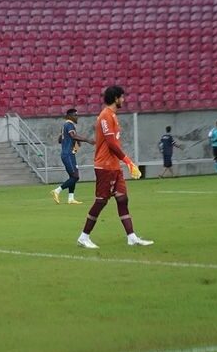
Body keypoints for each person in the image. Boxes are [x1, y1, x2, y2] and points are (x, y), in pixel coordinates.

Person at [77, 86, 154, 249]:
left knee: (122, 199)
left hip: (114, 166)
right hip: (104, 166)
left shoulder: (112, 115)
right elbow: (111, 143)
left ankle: (131, 237)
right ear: (116, 98)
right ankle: (83, 237)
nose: (124, 100)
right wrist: (128, 160)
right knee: (101, 201)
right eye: (122, 97)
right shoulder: (105, 116)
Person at [50, 108, 95, 205]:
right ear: (69, 116)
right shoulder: (69, 124)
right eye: (75, 115)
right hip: (68, 155)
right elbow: (73, 136)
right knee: (75, 177)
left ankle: (71, 198)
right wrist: (86, 140)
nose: (77, 117)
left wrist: (73, 141)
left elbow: (60, 140)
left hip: (70, 154)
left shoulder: (65, 126)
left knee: (73, 176)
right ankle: (57, 191)